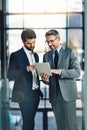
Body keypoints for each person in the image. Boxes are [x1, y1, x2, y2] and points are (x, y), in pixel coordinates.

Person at [40, 29, 80, 130]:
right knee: (60, 126)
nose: (49, 44)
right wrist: (45, 79)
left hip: (68, 96)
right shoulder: (46, 56)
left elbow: (76, 72)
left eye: (52, 41)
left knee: (72, 125)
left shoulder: (69, 52)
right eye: (47, 41)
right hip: (55, 96)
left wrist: (59, 71)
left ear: (58, 39)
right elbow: (48, 80)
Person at [7, 29, 43, 130]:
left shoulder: (35, 55)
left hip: (35, 94)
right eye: (29, 43)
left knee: (30, 121)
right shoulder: (15, 55)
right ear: (23, 42)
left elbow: (35, 76)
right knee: (28, 121)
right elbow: (10, 75)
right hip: (24, 94)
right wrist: (26, 69)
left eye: (33, 42)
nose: (32, 45)